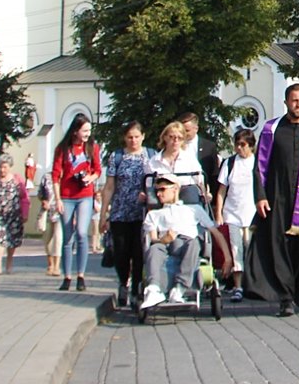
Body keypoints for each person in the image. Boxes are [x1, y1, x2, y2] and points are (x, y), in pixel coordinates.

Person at [245, 83, 299, 317]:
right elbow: (259, 166)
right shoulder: (271, 129)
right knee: (280, 246)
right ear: (286, 102)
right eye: (294, 100)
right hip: (278, 196)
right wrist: (260, 197)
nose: (298, 105)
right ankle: (286, 298)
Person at [141, 172, 232, 308]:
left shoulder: (194, 209)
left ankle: (179, 288)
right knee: (154, 248)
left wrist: (228, 258)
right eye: (157, 190)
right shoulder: (153, 214)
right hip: (164, 245)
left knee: (194, 242)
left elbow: (216, 233)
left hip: (186, 243)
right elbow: (153, 239)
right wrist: (164, 240)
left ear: (175, 189)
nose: (159, 194)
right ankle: (154, 289)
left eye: (163, 189)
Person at [100, 120, 155, 308]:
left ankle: (136, 289)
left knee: (139, 253)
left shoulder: (150, 156)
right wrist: (103, 214)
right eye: (130, 137)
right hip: (120, 212)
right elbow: (109, 187)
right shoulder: (117, 157)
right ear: (125, 138)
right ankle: (123, 282)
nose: (133, 141)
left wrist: (148, 196)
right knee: (121, 253)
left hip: (142, 213)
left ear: (143, 137)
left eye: (137, 137)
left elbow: (156, 183)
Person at [52, 113, 101, 292]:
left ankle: (81, 275)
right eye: (85, 130)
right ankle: (67, 276)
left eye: (89, 130)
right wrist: (57, 199)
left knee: (81, 233)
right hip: (66, 196)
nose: (88, 133)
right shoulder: (63, 149)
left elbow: (98, 170)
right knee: (67, 236)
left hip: (85, 195)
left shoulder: (92, 148)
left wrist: (91, 178)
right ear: (75, 131)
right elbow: (56, 175)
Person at [215, 128, 257, 303]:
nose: (239, 148)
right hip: (232, 213)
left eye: (243, 145)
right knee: (235, 249)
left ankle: (252, 284)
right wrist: (219, 212)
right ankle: (238, 286)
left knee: (251, 248)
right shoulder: (230, 163)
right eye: (237, 144)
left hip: (252, 214)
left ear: (251, 146)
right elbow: (221, 190)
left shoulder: (257, 162)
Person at [0, 154, 30, 275]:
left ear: (10, 167)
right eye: (0, 167)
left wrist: (25, 213)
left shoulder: (17, 179)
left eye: (5, 167)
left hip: (14, 215)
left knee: (12, 240)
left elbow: (24, 198)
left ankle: (9, 263)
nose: (2, 170)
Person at [148, 121, 206, 204]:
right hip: (161, 201)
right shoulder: (153, 161)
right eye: (172, 137)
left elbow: (200, 181)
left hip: (186, 201)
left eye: (180, 138)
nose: (176, 140)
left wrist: (206, 193)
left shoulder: (190, 159)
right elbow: (148, 186)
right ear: (164, 137)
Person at [178, 112, 220, 203]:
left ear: (196, 129)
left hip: (202, 194)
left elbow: (214, 174)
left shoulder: (209, 147)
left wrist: (212, 195)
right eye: (182, 131)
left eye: (187, 130)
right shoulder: (175, 146)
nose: (184, 134)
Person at [37, 171, 62, 276]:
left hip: (61, 212)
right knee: (47, 239)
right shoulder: (46, 177)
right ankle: (50, 264)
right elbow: (40, 193)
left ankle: (56, 266)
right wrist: (44, 201)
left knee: (58, 238)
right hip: (47, 212)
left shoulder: (67, 177)